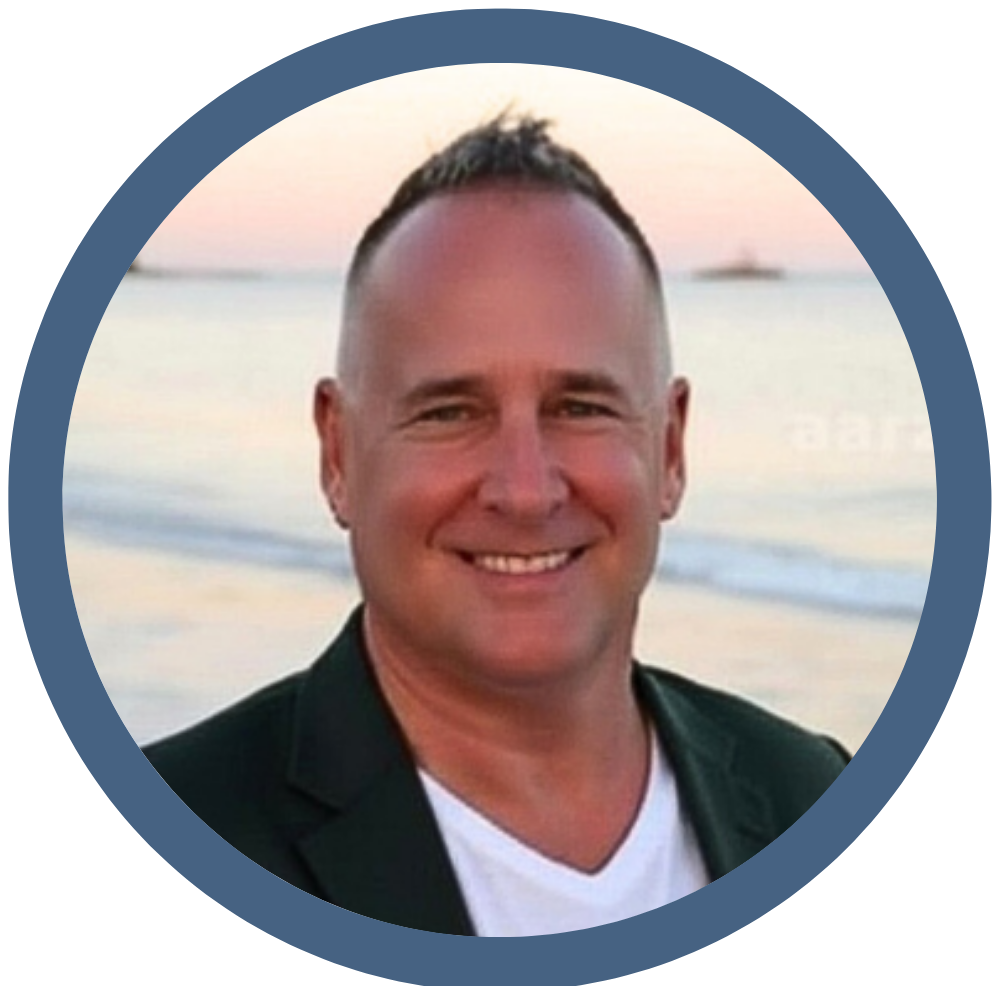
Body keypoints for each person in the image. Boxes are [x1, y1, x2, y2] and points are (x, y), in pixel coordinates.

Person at [144, 115, 849, 937]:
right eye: (449, 412)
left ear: (671, 447)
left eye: (580, 406)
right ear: (338, 454)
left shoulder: (818, 800)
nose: (525, 489)